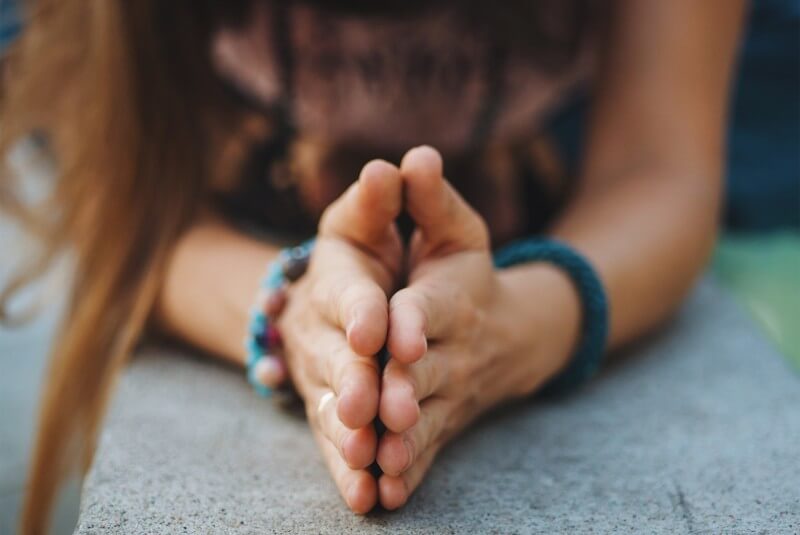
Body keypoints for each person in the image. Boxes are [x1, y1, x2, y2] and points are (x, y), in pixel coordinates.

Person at [0, 1, 746, 532]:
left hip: (543, 224)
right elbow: (116, 198)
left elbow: (660, 165)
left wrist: (524, 324)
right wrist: (292, 316)